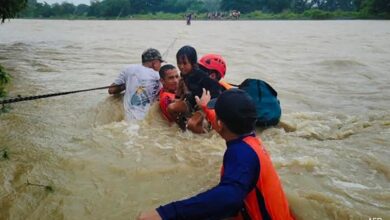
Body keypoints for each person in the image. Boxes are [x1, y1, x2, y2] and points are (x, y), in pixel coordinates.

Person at [137, 89, 294, 220]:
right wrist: (205, 107)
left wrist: (165, 213)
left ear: (220, 124)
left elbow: (228, 198)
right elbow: (220, 123)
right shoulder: (250, 140)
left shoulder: (241, 154)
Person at [168, 45, 223, 133]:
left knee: (192, 124)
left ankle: (204, 136)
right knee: (171, 108)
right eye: (179, 63)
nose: (181, 67)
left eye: (185, 63)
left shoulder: (202, 76)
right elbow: (186, 91)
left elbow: (217, 91)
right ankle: (183, 129)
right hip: (191, 103)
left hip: (204, 106)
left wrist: (208, 108)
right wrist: (179, 99)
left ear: (193, 63)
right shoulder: (184, 74)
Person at [108, 48, 163, 120]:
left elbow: (111, 90)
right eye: (160, 62)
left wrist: (126, 86)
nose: (160, 65)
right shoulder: (159, 76)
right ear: (154, 63)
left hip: (128, 118)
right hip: (147, 119)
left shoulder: (128, 69)